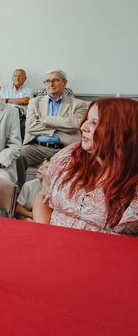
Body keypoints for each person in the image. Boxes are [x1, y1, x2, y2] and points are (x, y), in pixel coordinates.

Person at [33, 98, 138, 235]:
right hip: (54, 244)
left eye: (94, 123)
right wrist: (44, 235)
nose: (83, 127)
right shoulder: (69, 157)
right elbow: (43, 198)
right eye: (87, 120)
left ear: (123, 132)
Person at [16, 69, 87, 187]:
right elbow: (30, 126)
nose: (51, 84)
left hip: (65, 148)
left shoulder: (78, 104)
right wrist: (59, 127)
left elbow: (76, 124)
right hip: (37, 148)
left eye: (55, 80)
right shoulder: (35, 102)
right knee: (19, 155)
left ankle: (62, 197)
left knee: (78, 163)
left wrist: (46, 120)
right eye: (47, 81)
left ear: (64, 83)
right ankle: (20, 191)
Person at [0, 68, 34, 136]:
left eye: (20, 76)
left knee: (24, 124)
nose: (17, 78)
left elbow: (25, 101)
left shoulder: (29, 89)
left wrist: (7, 100)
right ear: (12, 78)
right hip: (6, 114)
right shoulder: (3, 89)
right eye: (15, 76)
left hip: (21, 115)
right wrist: (18, 101)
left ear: (25, 78)